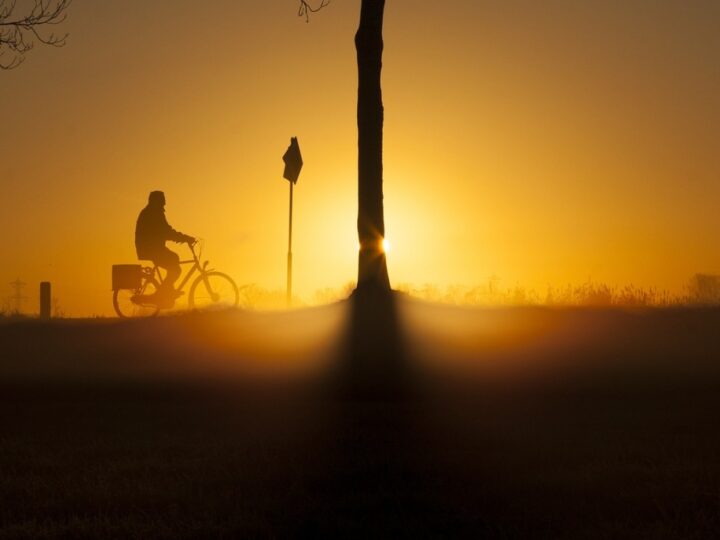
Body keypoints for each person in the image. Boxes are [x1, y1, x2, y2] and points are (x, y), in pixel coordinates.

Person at [135, 191, 195, 306]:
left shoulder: (152, 212)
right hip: (151, 249)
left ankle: (167, 293)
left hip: (152, 248)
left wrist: (183, 238)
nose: (165, 203)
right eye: (163, 200)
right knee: (176, 269)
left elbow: (165, 231)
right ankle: (161, 295)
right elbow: (166, 231)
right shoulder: (153, 213)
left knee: (174, 259)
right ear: (157, 201)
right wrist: (185, 238)